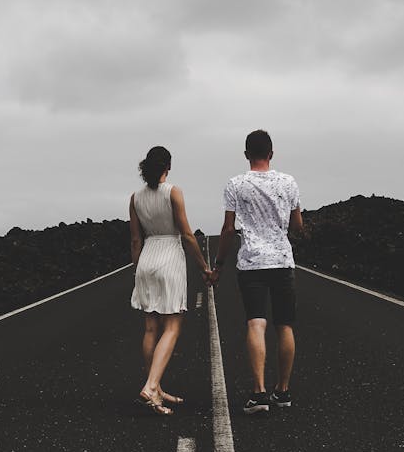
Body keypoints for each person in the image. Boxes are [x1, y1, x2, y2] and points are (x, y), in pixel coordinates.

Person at [211, 130, 304, 414]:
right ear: (271, 153)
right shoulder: (288, 182)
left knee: (256, 322)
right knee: (285, 325)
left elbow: (228, 229)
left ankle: (259, 392)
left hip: (251, 262)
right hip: (282, 261)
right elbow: (297, 225)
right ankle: (283, 391)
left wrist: (219, 264)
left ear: (246, 154)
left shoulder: (236, 185)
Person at [129, 146, 214, 415]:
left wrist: (137, 270)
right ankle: (152, 386)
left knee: (151, 327)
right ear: (168, 166)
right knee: (173, 326)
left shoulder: (135, 198)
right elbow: (187, 234)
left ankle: (156, 387)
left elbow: (135, 239)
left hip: (146, 258)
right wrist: (204, 267)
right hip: (169, 257)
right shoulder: (173, 192)